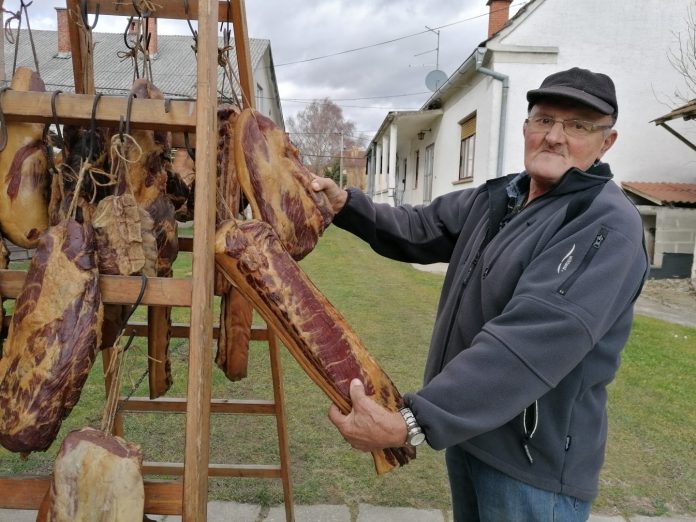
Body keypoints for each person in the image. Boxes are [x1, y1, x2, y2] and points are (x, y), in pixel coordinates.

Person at [311, 67, 649, 522]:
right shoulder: (503, 196)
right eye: (544, 120)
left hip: (531, 465)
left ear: (606, 142)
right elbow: (419, 227)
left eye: (578, 126)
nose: (555, 136)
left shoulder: (603, 225)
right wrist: (345, 205)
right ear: (526, 127)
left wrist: (411, 422)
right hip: (473, 433)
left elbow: (529, 341)